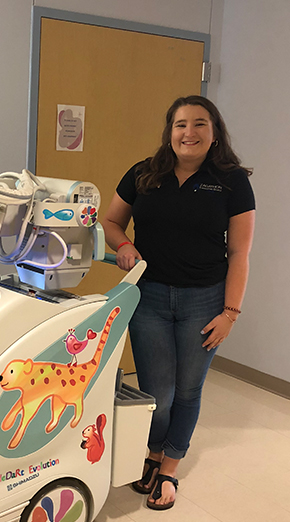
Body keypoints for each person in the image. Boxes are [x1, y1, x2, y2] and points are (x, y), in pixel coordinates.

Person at [101, 95, 255, 510]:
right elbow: (111, 221)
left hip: (205, 301)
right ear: (169, 133)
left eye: (200, 124)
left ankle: (168, 466)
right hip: (148, 296)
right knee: (156, 391)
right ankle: (153, 449)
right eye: (181, 124)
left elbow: (240, 253)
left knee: (188, 389)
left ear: (214, 132)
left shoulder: (232, 180)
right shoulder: (144, 174)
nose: (189, 132)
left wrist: (230, 313)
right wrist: (125, 245)